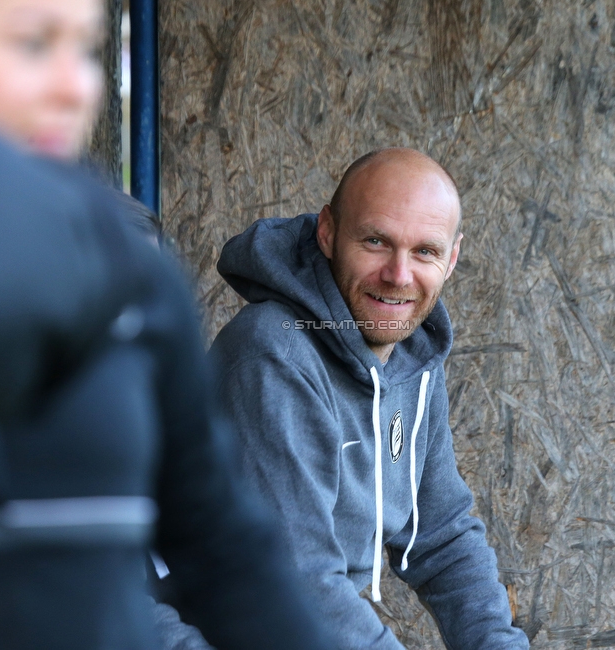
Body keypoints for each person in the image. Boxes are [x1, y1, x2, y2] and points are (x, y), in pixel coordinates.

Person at [0, 0, 331, 648]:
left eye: (85, 51)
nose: (76, 86)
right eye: (31, 44)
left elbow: (219, 541)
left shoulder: (129, 272)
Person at [212, 148, 531, 649]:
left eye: (425, 251)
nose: (399, 274)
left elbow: (442, 535)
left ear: (452, 258)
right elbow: (296, 585)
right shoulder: (275, 353)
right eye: (376, 241)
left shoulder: (411, 357)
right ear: (328, 233)